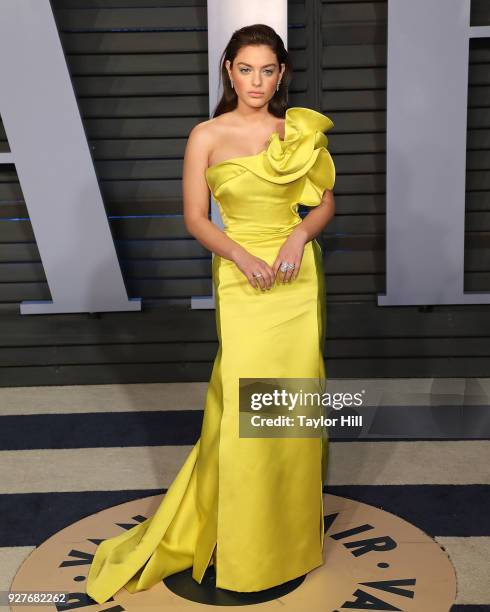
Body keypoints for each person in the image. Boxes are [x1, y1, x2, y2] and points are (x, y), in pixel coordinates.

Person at [85, 23, 335, 605]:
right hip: (241, 273)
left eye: (268, 70)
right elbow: (197, 218)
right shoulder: (206, 135)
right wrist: (244, 256)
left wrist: (299, 237)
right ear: (229, 70)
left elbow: (325, 203)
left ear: (282, 74)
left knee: (292, 405)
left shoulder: (296, 130)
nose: (257, 81)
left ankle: (288, 541)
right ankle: (241, 542)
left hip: (296, 282)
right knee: (245, 402)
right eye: (246, 69)